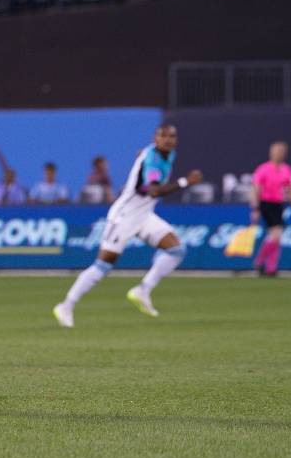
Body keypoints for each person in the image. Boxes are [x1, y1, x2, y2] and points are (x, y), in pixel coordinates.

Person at [52, 124, 202, 326]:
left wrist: (141, 158)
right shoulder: (153, 159)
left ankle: (143, 290)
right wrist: (185, 182)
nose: (168, 140)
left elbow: (145, 160)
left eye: (172, 136)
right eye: (163, 136)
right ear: (155, 138)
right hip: (124, 216)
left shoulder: (166, 153)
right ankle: (66, 306)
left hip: (144, 216)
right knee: (103, 265)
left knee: (176, 249)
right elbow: (153, 191)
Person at [250, 141, 291, 276]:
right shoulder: (263, 169)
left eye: (282, 152)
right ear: (271, 153)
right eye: (277, 151)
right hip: (265, 203)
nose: (279, 154)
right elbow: (256, 189)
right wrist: (255, 208)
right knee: (276, 235)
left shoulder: (286, 169)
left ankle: (270, 268)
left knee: (276, 238)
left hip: (278, 204)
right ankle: (260, 261)